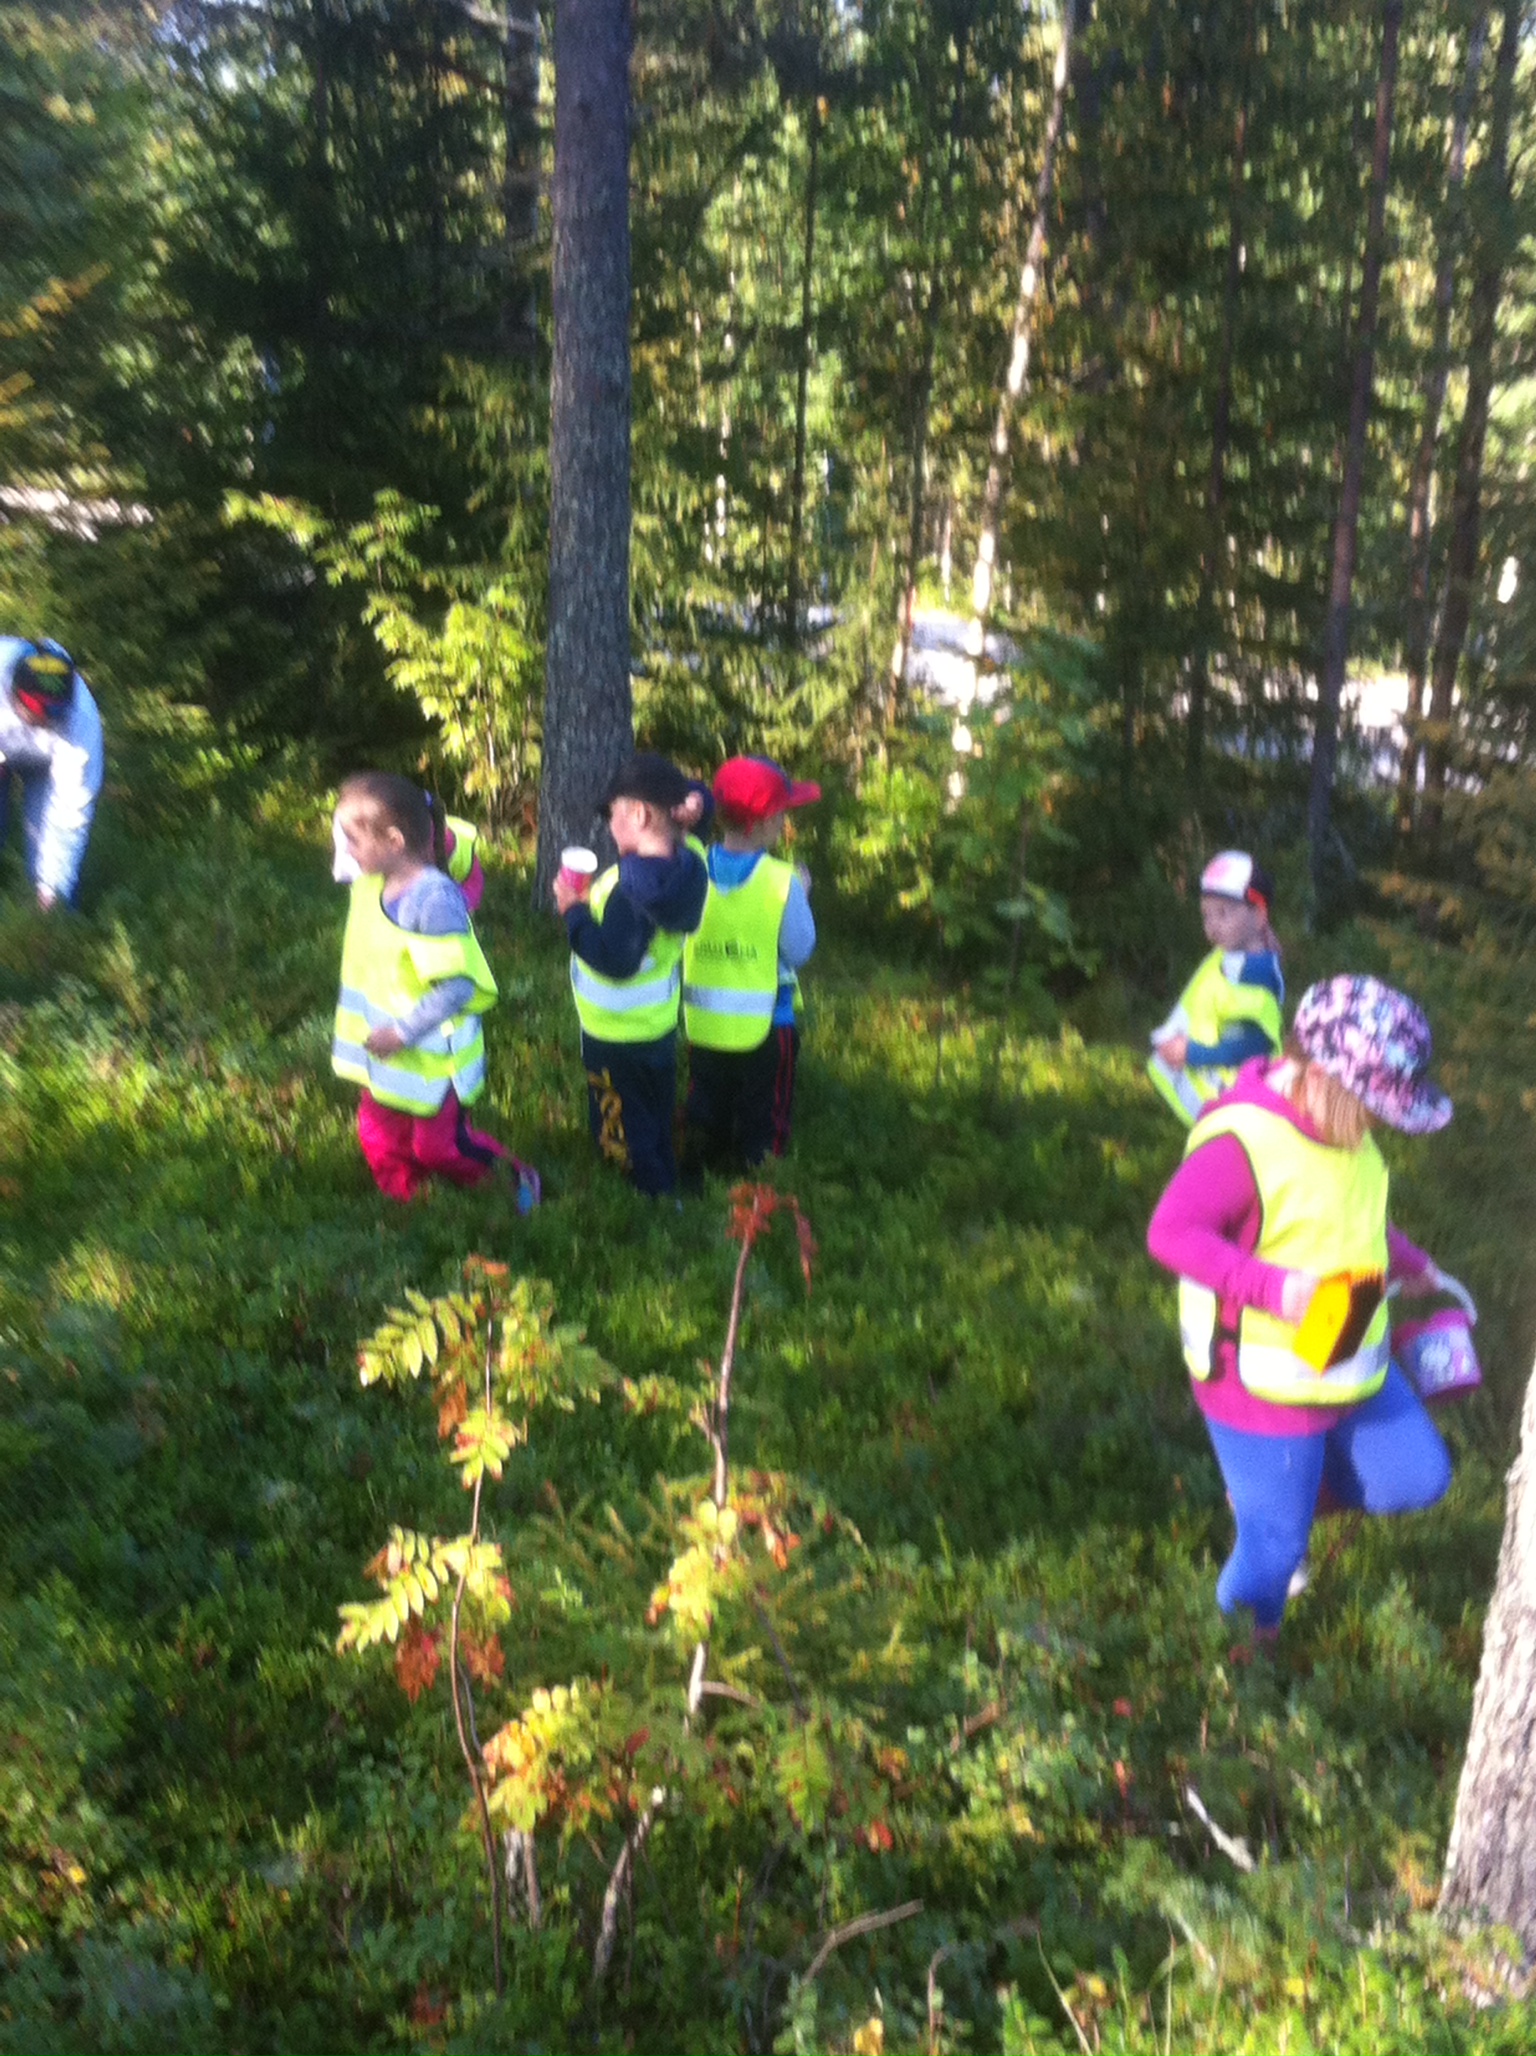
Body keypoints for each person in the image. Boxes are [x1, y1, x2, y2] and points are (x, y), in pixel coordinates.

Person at [1146, 975, 1454, 1639]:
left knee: (1418, 1477)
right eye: (1374, 1105)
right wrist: (1274, 1289)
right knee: (1275, 1552)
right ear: (1317, 1075)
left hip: (1345, 1355)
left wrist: (1409, 1260)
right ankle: (1245, 1660)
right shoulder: (1243, 1141)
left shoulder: (1344, 1127)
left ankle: (1267, 1504)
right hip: (1261, 1382)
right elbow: (1170, 1233)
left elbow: (1349, 1214)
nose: (1381, 1122)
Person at [330, 772, 539, 1208]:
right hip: (385, 1059)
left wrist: (401, 1033)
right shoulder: (369, 882)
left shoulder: (432, 901)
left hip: (434, 1061)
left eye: (351, 840)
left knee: (439, 1148)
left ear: (393, 841)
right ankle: (414, 1204)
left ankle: (515, 1180)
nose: (344, 850)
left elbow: (456, 987)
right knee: (379, 1137)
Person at [553, 751, 708, 1197]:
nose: (608, 826)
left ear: (638, 814)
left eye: (613, 815)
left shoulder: (630, 890)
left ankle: (646, 1199)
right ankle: (666, 1176)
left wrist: (574, 912)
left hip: (614, 1038)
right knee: (655, 1114)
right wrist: (694, 804)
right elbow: (702, 814)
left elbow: (615, 959)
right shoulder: (689, 864)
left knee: (622, 1126)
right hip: (655, 1029)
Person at [682, 755, 819, 1173]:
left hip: (705, 1026)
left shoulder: (692, 870)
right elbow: (799, 950)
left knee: (707, 1107)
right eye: (783, 813)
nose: (785, 822)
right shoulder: (782, 880)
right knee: (765, 1116)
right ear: (766, 822)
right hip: (769, 1027)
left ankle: (701, 1169)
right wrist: (802, 895)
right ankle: (760, 1179)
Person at [1148, 852, 1284, 1125]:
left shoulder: (1255, 973)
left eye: (1223, 913)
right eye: (1206, 915)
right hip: (1224, 1097)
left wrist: (1190, 1053)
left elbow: (1254, 1045)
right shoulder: (1230, 957)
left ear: (1259, 915)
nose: (1212, 925)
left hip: (1238, 1102)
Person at [0, 637, 104, 911]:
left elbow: (70, 812)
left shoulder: (81, 718)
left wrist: (50, 889)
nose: (44, 721)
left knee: (52, 880)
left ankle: (53, 927)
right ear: (12, 693)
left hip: (52, 761)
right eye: (36, 713)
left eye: (53, 714)